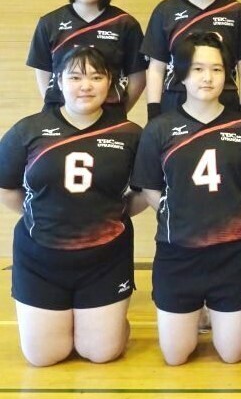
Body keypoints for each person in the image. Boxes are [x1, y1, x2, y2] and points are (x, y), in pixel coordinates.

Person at [0, 46, 142, 366]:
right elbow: (5, 188)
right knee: (43, 357)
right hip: (40, 259)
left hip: (105, 260)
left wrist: (112, 216)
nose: (85, 86)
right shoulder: (28, 130)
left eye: (96, 77)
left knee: (102, 354)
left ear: (110, 83)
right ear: (59, 82)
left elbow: (146, 192)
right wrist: (43, 215)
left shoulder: (130, 135)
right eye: (75, 77)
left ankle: (107, 325)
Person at [131, 32, 241, 365]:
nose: (207, 77)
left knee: (232, 354)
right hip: (177, 253)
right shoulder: (159, 129)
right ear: (181, 74)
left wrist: (224, 213)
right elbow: (150, 187)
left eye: (217, 69)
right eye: (198, 69)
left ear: (227, 75)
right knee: (175, 355)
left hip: (231, 253)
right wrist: (178, 212)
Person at [27, 0, 146, 115]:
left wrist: (119, 113)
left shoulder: (125, 24)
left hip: (109, 116)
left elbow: (138, 76)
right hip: (59, 115)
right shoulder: (49, 23)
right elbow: (43, 72)